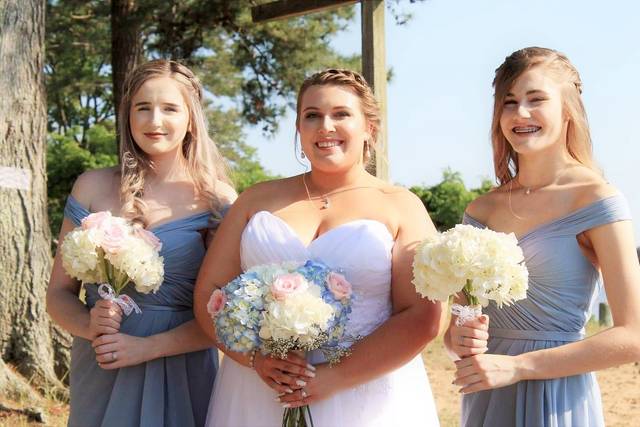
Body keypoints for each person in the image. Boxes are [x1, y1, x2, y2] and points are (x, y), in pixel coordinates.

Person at [193, 69, 442, 427]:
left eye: (341, 114)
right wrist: (254, 360)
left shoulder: (401, 205)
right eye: (312, 115)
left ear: (369, 127)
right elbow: (209, 293)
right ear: (299, 128)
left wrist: (331, 378)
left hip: (363, 396)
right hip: (258, 392)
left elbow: (422, 317)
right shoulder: (256, 198)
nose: (325, 126)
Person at [445, 47, 640, 427]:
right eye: (509, 102)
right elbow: (457, 331)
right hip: (487, 396)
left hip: (557, 397)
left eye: (536, 100)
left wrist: (519, 367)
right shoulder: (481, 210)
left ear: (568, 109)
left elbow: (633, 335)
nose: (520, 114)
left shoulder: (596, 199)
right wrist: (459, 341)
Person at [46, 59, 236, 427]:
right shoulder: (91, 186)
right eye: (142, 108)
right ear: (127, 115)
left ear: (191, 118)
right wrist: (91, 326)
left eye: (169, 108)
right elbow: (57, 296)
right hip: (104, 362)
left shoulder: (218, 199)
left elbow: (222, 316)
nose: (154, 121)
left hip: (181, 366)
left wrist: (148, 348)